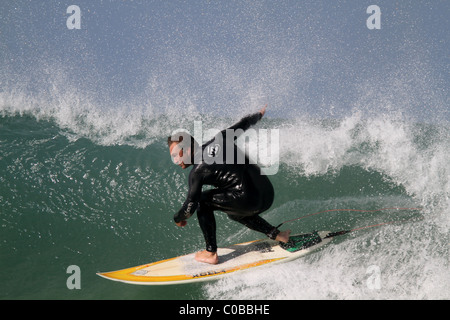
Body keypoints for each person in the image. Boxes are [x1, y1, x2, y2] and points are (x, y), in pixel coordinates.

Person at [168, 105, 290, 264]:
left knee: (203, 201)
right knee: (232, 210)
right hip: (267, 194)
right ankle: (277, 234)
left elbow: (190, 206)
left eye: (178, 154)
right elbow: (244, 123)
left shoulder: (197, 172)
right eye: (173, 157)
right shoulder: (220, 138)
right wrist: (259, 114)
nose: (176, 160)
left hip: (249, 200)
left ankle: (210, 252)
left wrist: (178, 218)